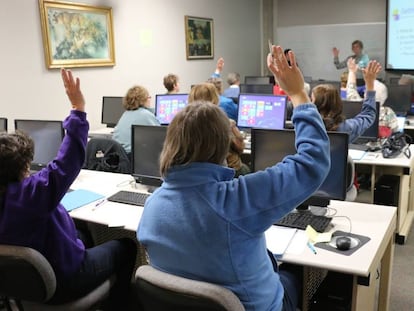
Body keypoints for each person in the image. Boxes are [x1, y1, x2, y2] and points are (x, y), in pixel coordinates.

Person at [137, 46, 331, 311]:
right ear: (222, 146)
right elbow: (313, 162)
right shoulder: (236, 200)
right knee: (297, 275)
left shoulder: (153, 205)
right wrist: (298, 94)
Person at [0, 69, 137, 309]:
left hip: (26, 284)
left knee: (84, 232)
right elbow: (68, 160)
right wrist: (78, 107)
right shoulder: (32, 194)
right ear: (24, 166)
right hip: (65, 281)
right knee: (126, 246)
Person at [311, 58, 381, 143]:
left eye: (311, 100)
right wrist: (370, 84)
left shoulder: (304, 126)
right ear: (338, 103)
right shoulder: (346, 128)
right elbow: (368, 115)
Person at [189, 83, 251, 177]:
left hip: (198, 174)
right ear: (215, 99)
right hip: (227, 172)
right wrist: (233, 128)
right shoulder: (223, 122)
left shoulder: (185, 124)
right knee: (245, 169)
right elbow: (240, 147)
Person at [344, 58, 398, 138]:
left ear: (366, 94)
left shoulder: (357, 106)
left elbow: (351, 90)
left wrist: (352, 71)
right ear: (385, 97)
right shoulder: (388, 113)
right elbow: (395, 131)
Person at [113, 85, 160, 156]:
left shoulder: (126, 114)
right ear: (143, 99)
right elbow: (160, 136)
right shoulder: (145, 115)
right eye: (148, 97)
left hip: (121, 156)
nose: (150, 100)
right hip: (133, 157)